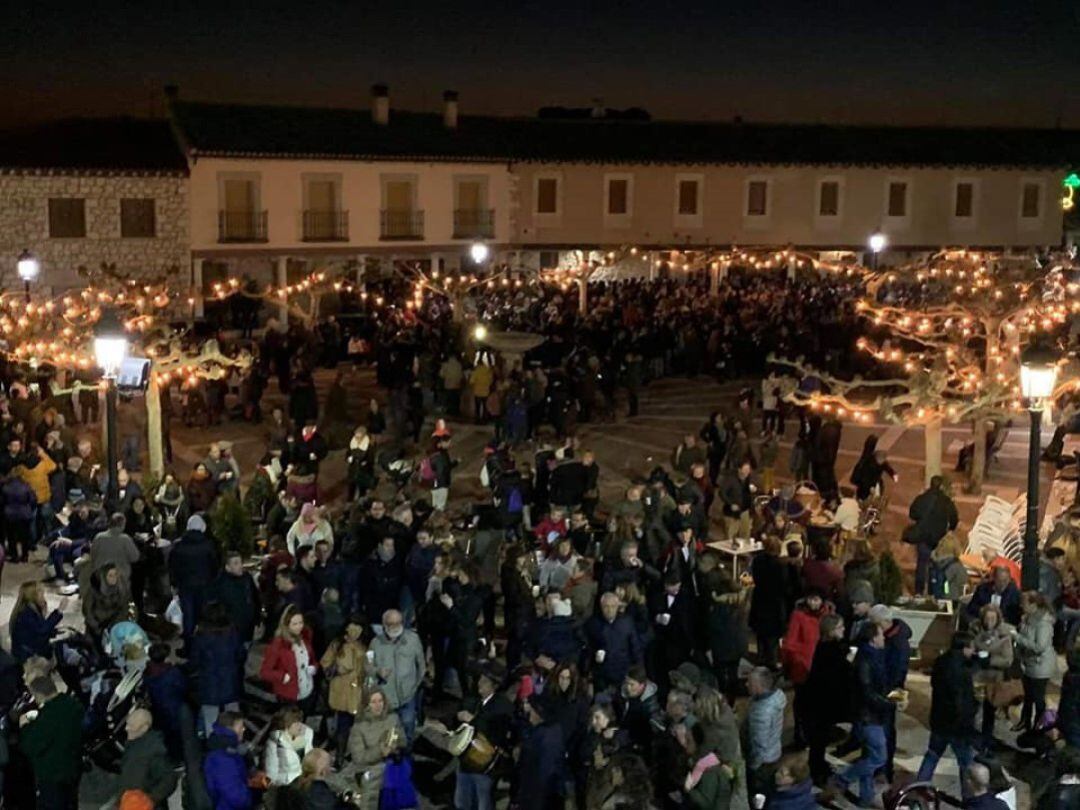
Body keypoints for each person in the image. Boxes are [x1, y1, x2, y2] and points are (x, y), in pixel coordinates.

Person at [827, 622, 894, 809]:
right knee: (879, 757)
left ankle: (866, 797)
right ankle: (841, 779)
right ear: (873, 639)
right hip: (868, 717)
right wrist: (889, 703)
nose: (884, 638)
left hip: (870, 714)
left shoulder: (873, 656)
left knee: (868, 755)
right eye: (881, 635)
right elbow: (867, 692)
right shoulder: (866, 660)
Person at [915, 632, 978, 794]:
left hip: (939, 719)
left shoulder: (941, 661)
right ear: (963, 648)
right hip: (958, 726)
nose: (973, 651)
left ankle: (919, 786)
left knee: (933, 754)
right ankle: (969, 796)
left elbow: (934, 683)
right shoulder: (962, 670)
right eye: (971, 647)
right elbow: (961, 701)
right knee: (966, 763)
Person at [20, 675, 84, 810]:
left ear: (38, 694)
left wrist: (25, 726)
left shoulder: (48, 717)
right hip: (73, 769)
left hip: (52, 775)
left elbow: (31, 746)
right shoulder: (74, 705)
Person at [453, 668, 515, 810]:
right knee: (462, 802)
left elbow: (497, 733)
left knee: (483, 803)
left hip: (485, 764)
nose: (479, 684)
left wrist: (472, 720)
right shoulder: (472, 700)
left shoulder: (502, 706)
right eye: (480, 679)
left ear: (495, 685)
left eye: (485, 681)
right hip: (465, 761)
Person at [803, 613, 852, 786]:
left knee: (820, 739)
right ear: (831, 631)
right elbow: (837, 674)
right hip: (821, 703)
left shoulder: (828, 647)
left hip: (822, 701)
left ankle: (819, 765)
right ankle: (817, 772)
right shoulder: (830, 651)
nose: (844, 629)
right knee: (819, 739)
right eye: (840, 627)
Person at [342, 689, 406, 810]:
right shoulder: (359, 727)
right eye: (373, 702)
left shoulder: (393, 718)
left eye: (380, 701)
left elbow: (403, 741)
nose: (378, 705)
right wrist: (380, 751)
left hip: (392, 762)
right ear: (367, 705)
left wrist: (395, 746)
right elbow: (359, 758)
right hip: (368, 767)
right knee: (373, 781)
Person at [369, 609, 425, 742]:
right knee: (387, 734)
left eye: (398, 623)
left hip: (407, 696)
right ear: (384, 625)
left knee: (408, 728)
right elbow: (367, 666)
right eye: (391, 623)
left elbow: (421, 666)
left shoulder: (413, 639)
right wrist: (377, 671)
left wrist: (414, 687)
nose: (395, 626)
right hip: (386, 698)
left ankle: (406, 758)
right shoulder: (375, 643)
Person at [192, 601, 244, 736]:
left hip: (209, 682)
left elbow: (195, 659)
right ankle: (235, 741)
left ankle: (214, 745)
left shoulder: (201, 635)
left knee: (211, 719)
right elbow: (240, 654)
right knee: (234, 717)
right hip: (230, 679)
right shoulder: (233, 632)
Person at [320, 616, 367, 760]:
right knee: (342, 724)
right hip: (340, 691)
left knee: (355, 725)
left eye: (358, 629)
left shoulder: (365, 645)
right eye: (352, 628)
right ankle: (339, 756)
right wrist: (336, 670)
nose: (355, 632)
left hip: (358, 691)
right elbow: (325, 663)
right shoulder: (337, 644)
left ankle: (347, 751)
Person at [168, 514, 219, 645]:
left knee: (188, 614)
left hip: (185, 585)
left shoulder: (179, 546)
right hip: (204, 585)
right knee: (202, 614)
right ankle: (202, 644)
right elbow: (214, 565)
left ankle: (189, 644)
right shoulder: (208, 545)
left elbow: (172, 566)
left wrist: (174, 582)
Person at [969, 604, 1014, 746]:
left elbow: (1007, 660)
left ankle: (986, 739)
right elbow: (969, 648)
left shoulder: (1004, 635)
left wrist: (990, 660)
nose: (989, 621)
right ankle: (970, 735)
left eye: (992, 618)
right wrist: (975, 657)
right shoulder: (974, 631)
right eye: (987, 618)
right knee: (972, 708)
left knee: (989, 711)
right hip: (977, 676)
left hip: (994, 678)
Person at [907, 475, 959, 595]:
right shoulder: (946, 501)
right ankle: (933, 590)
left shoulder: (921, 498)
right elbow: (954, 519)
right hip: (939, 538)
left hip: (923, 536)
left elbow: (912, 514)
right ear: (941, 486)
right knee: (937, 565)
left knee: (921, 563)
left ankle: (919, 591)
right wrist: (949, 529)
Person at [1013, 591, 1056, 733]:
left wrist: (1017, 637)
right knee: (1028, 695)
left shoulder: (1044, 623)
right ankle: (1024, 722)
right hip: (1028, 663)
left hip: (1040, 665)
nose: (1021, 605)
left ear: (1033, 604)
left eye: (1023, 603)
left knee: (1038, 698)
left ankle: (1039, 727)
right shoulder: (1026, 618)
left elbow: (1040, 647)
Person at [261, 605, 319, 712]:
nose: (299, 627)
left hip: (307, 691)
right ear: (286, 625)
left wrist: (313, 667)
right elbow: (265, 672)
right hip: (288, 695)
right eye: (294, 624)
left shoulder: (305, 638)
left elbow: (312, 659)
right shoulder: (278, 644)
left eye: (300, 623)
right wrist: (282, 676)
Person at [118, 708, 178, 810]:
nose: (126, 728)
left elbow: (169, 779)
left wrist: (149, 799)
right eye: (127, 724)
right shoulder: (134, 744)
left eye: (131, 726)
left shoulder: (155, 752)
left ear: (144, 728)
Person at [585, 591, 644, 691]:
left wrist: (639, 669)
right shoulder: (593, 624)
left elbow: (635, 647)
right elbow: (588, 647)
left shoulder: (627, 622)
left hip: (623, 671)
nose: (609, 610)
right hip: (601, 673)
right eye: (606, 606)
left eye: (613, 606)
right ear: (601, 607)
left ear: (618, 607)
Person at [518, 695, 567, 810]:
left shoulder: (547, 735)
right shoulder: (549, 730)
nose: (529, 715)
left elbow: (545, 770)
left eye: (532, 711)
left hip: (540, 796)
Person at [745, 666, 786, 798]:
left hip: (762, 762)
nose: (746, 685)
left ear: (759, 686)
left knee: (759, 796)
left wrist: (752, 766)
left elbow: (759, 743)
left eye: (749, 683)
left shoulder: (762, 713)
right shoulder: (778, 696)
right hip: (774, 752)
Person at [204, 710, 253, 810]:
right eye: (240, 727)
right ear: (230, 729)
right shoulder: (221, 759)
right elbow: (236, 797)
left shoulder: (229, 748)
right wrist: (253, 798)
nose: (244, 729)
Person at [10, 581, 68, 662]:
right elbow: (42, 629)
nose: (44, 596)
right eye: (41, 593)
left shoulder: (32, 609)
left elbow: (36, 632)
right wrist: (59, 611)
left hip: (32, 651)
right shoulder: (25, 613)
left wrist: (55, 632)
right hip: (27, 657)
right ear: (33, 596)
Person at [264, 705, 315, 787]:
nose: (300, 726)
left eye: (300, 721)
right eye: (296, 723)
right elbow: (271, 774)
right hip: (287, 785)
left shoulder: (307, 734)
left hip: (306, 781)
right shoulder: (274, 743)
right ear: (285, 726)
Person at [88, 511, 140, 584]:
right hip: (120, 577)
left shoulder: (98, 537)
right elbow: (135, 557)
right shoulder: (125, 539)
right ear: (123, 525)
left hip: (100, 576)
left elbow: (92, 556)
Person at [83, 562, 132, 639]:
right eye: (110, 575)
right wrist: (96, 627)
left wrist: (115, 625)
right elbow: (87, 610)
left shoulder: (121, 589)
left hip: (113, 626)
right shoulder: (94, 590)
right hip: (95, 627)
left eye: (115, 574)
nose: (114, 578)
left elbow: (124, 608)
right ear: (104, 577)